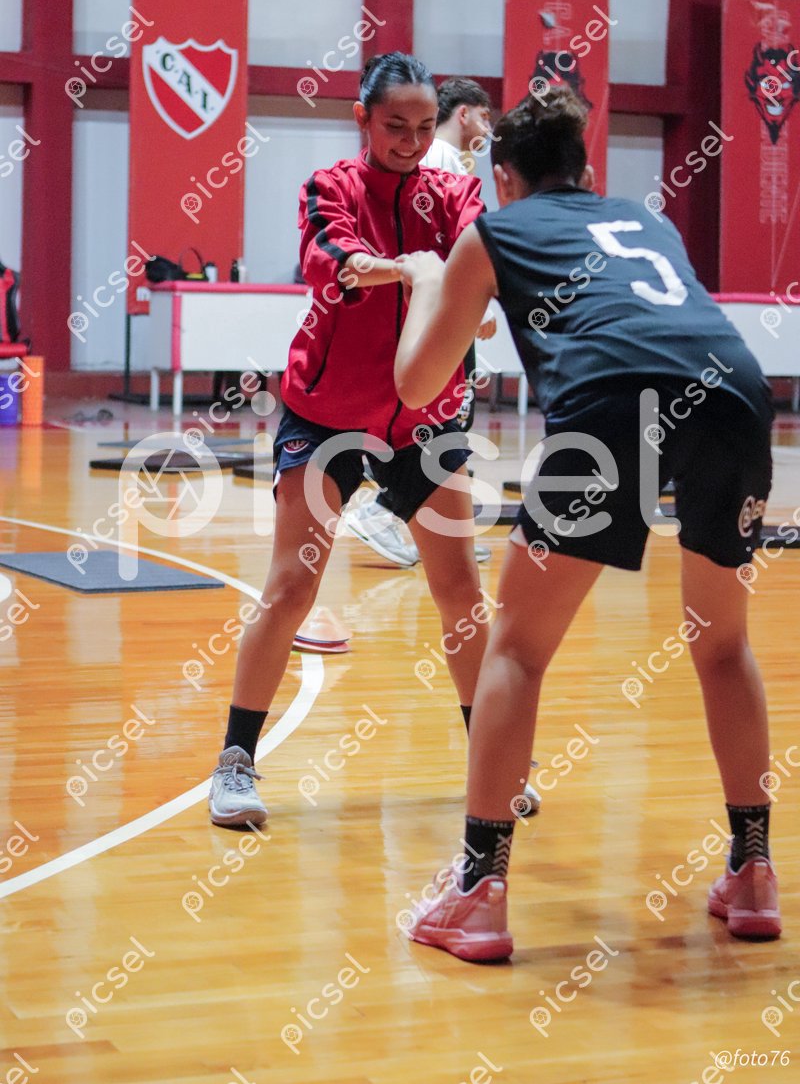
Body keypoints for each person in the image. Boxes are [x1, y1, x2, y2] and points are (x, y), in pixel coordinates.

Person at [394, 86, 780, 960]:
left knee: (517, 650)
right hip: (736, 394)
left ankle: (479, 892)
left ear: (502, 179)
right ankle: (754, 871)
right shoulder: (650, 223)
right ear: (589, 169)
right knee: (723, 643)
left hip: (612, 404)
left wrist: (425, 281)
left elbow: (417, 385)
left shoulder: (493, 230)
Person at [208, 52, 541, 826]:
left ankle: (493, 762)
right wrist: (410, 271)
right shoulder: (329, 186)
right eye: (395, 126)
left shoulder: (455, 191)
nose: (412, 141)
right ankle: (234, 760)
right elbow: (331, 263)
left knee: (461, 594)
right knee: (291, 587)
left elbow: (479, 259)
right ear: (362, 117)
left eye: (425, 127)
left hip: (426, 422)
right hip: (327, 415)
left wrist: (471, 291)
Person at [346, 77, 498, 568]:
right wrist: (477, 306)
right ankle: (381, 511)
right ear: (464, 113)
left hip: (424, 308)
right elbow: (453, 248)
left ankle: (441, 529)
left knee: (445, 421)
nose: (489, 128)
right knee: (441, 419)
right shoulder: (443, 161)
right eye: (485, 116)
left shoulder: (440, 164)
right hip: (435, 312)